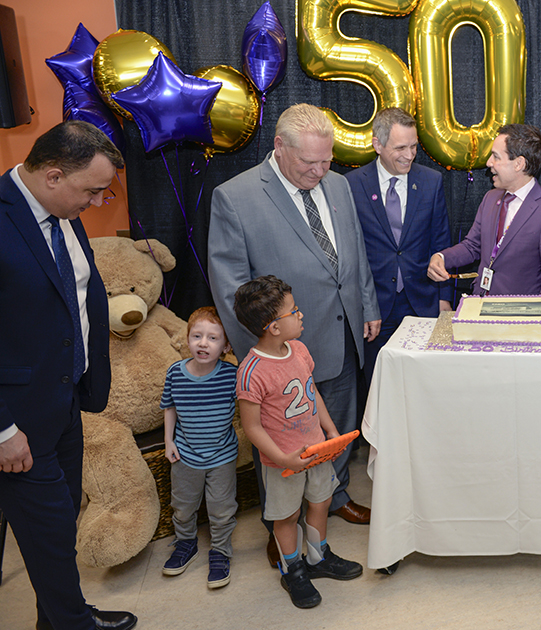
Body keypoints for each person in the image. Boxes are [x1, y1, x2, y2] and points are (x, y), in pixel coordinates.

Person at [208, 103, 381, 551]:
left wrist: (367, 306)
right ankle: (281, 522)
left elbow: (354, 255)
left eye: (327, 161)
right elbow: (231, 288)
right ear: (279, 147)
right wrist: (264, 352)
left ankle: (335, 495)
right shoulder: (236, 196)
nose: (320, 171)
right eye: (310, 162)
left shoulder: (338, 186)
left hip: (341, 333)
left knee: (335, 425)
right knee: (282, 442)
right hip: (279, 352)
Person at [0, 121, 137, 629]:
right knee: (49, 531)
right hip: (18, 421)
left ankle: (58, 617)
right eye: (92, 191)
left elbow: (71, 296)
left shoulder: (63, 211)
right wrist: (3, 430)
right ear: (53, 176)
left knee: (58, 529)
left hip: (65, 404)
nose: (98, 203)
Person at [233, 276, 363, 609]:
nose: (301, 315)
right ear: (273, 327)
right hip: (283, 464)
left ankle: (318, 558)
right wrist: (283, 458)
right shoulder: (251, 371)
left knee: (320, 504)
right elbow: (252, 427)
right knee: (287, 516)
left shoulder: (300, 350)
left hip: (317, 453)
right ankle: (293, 570)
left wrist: (331, 431)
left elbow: (312, 392)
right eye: (294, 311)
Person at [346, 107, 451, 386]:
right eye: (400, 147)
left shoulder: (431, 181)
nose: (409, 155)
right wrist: (365, 308)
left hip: (422, 302)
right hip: (375, 309)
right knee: (378, 386)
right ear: (377, 144)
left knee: (423, 386)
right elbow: (351, 253)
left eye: (414, 146)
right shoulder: (351, 185)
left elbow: (441, 242)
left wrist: (444, 299)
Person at [427, 124, 541, 295]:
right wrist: (442, 258)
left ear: (519, 164)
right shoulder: (490, 198)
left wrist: (536, 320)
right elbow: (472, 246)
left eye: (496, 157)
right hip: (480, 305)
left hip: (518, 316)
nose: (489, 163)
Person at [160, 306, 238, 589]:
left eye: (213, 338)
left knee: (221, 509)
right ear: (188, 338)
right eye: (197, 336)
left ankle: (220, 551)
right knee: (182, 506)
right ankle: (185, 544)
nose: (203, 343)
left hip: (222, 456)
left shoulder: (232, 375)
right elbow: (169, 406)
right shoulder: (176, 373)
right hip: (185, 455)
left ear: (226, 345)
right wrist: (169, 441)